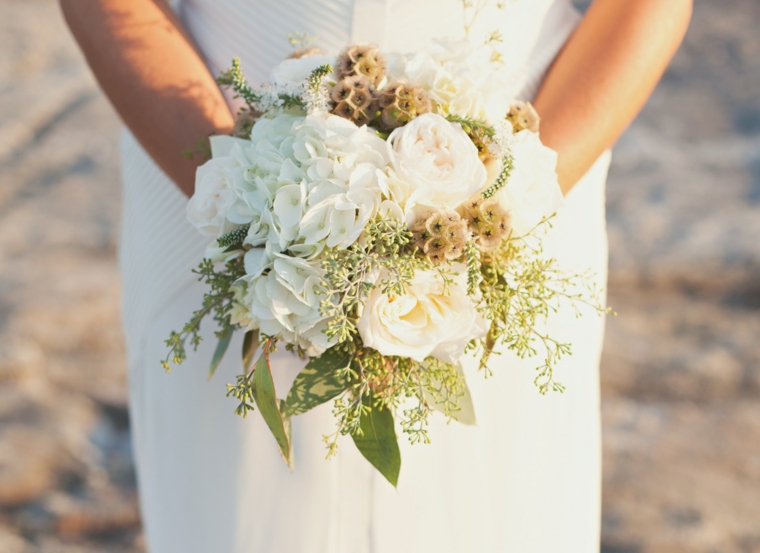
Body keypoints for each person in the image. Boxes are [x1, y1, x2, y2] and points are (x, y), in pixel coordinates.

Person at [61, 1, 692, 551]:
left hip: (527, 151)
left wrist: (502, 208)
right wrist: (256, 198)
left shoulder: (514, 198)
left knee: (494, 502)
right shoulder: (231, 182)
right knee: (241, 503)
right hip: (209, 138)